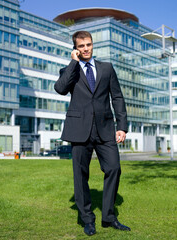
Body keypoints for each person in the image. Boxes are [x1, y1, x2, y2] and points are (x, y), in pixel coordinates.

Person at [54, 31, 131, 236]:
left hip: (105, 129)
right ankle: (87, 219)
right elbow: (60, 89)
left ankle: (109, 217)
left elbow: (117, 97)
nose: (86, 49)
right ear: (75, 48)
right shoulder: (69, 70)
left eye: (88, 45)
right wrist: (73, 64)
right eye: (81, 46)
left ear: (92, 45)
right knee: (81, 176)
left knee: (114, 168)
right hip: (79, 130)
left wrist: (122, 126)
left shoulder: (106, 68)